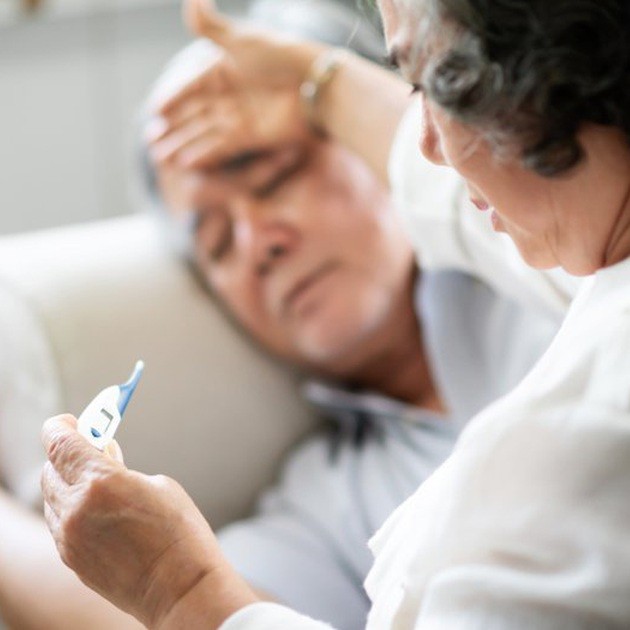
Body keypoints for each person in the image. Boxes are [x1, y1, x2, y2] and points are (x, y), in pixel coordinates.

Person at [41, 0, 630, 627]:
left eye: (276, 176)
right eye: (216, 243)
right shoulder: (325, 501)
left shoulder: (562, 261)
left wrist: (181, 591)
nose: (256, 243)